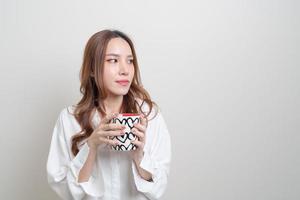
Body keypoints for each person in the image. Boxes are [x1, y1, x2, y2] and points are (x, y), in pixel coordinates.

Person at [46, 29, 172, 200]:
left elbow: (158, 189)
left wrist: (139, 156)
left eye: (130, 61)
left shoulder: (149, 115)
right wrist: (91, 146)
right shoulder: (70, 118)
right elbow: (66, 192)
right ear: (92, 69)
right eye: (113, 60)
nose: (125, 70)